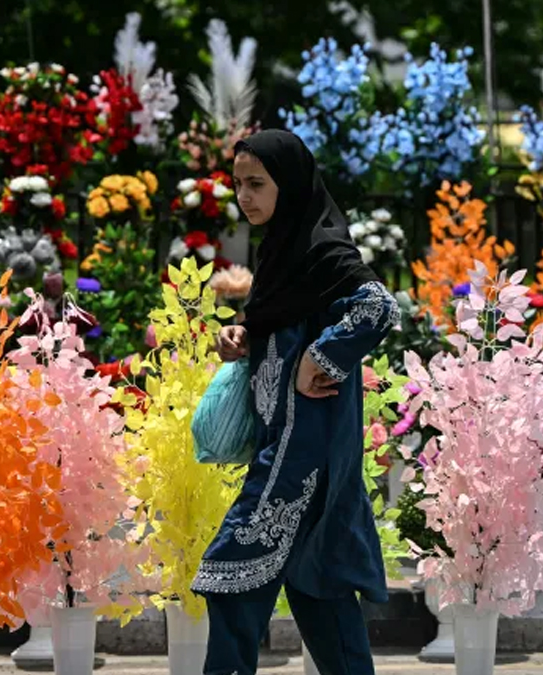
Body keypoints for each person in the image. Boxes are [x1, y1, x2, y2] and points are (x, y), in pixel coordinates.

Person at [192, 129, 399, 675]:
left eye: (257, 184)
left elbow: (377, 306)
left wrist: (322, 357)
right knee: (320, 592)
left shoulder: (324, 251)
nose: (245, 196)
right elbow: (283, 320)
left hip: (300, 460)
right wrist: (242, 334)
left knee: (229, 577)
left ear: (289, 184)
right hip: (289, 448)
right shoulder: (282, 252)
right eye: (238, 184)